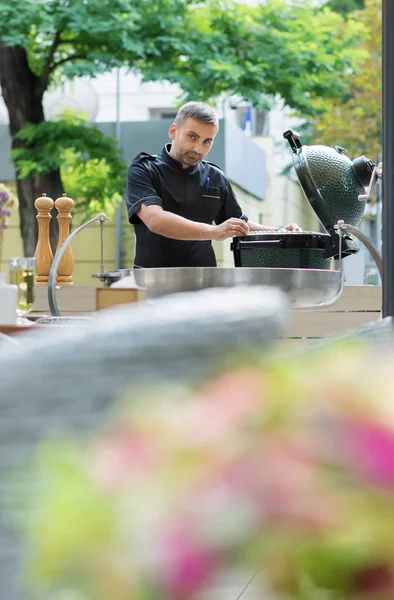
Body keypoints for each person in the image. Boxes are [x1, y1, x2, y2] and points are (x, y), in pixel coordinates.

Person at [125, 101, 301, 268]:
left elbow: (240, 224)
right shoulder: (144, 169)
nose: (198, 149)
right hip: (152, 280)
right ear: (173, 131)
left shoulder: (215, 176)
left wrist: (279, 231)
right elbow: (156, 220)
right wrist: (215, 231)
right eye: (192, 137)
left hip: (204, 283)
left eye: (206, 141)